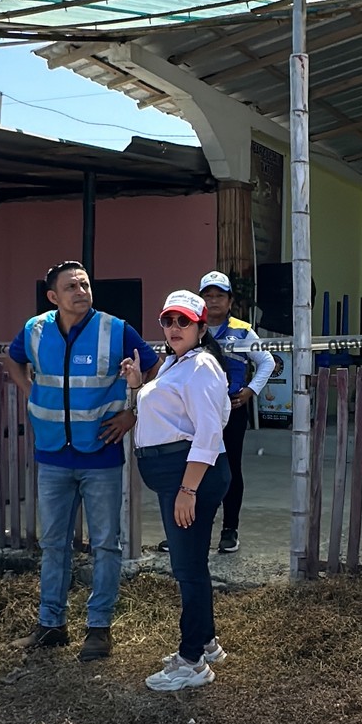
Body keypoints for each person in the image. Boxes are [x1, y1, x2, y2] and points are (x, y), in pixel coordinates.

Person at [7, 261, 156, 661]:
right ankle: (51, 625)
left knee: (106, 544)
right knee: (53, 543)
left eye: (85, 284)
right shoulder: (35, 330)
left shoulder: (115, 329)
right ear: (53, 296)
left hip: (100, 455)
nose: (81, 291)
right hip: (53, 453)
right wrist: (30, 392)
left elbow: (154, 367)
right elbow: (12, 358)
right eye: (71, 286)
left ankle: (99, 630)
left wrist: (133, 412)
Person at [122, 288, 231, 692]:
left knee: (187, 569)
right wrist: (137, 385)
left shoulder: (200, 366)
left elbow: (208, 432)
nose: (174, 327)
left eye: (183, 321)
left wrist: (188, 489)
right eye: (167, 320)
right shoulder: (175, 363)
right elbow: (167, 416)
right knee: (192, 565)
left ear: (201, 327)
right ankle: (206, 643)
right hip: (178, 476)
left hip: (190, 476)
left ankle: (192, 661)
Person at [198, 271, 276, 554]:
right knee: (196, 467)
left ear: (230, 301)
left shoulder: (243, 331)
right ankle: (194, 530)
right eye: (208, 296)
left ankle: (229, 530)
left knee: (230, 469)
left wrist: (251, 390)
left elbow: (267, 361)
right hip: (198, 412)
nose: (213, 301)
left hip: (232, 410)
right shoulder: (192, 326)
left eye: (219, 296)